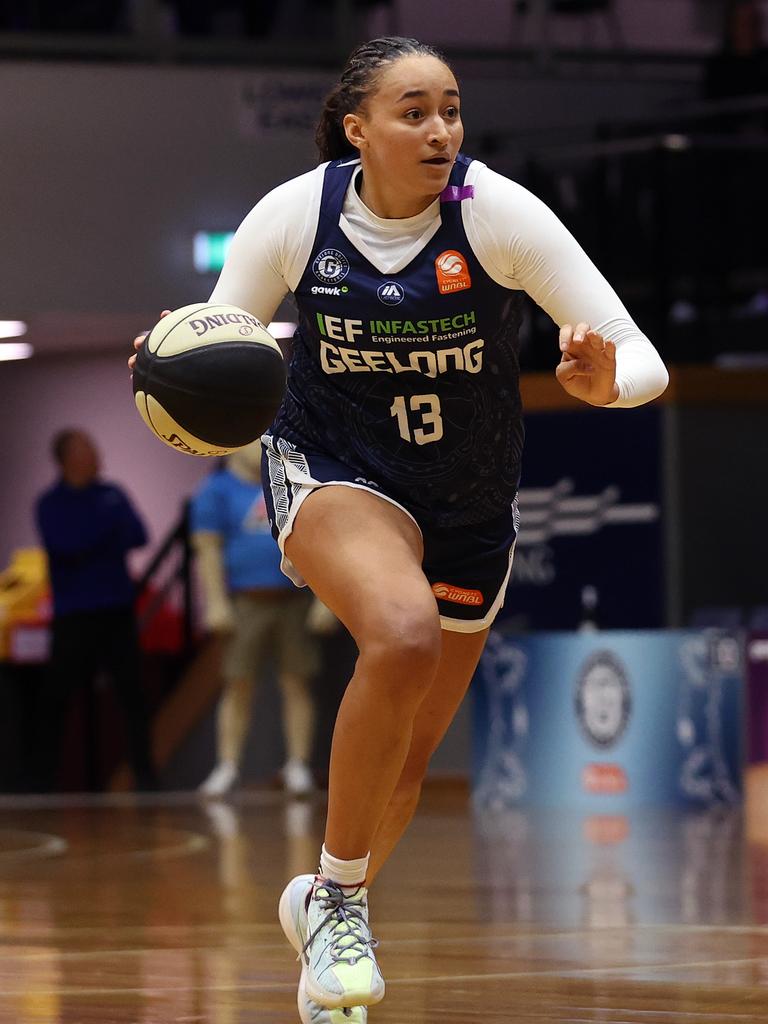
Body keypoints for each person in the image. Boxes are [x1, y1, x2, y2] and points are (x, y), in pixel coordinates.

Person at [131, 36, 668, 1022]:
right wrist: (175, 377)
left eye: (451, 110)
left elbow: (644, 358)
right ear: (358, 128)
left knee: (406, 768)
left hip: (468, 501)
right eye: (414, 111)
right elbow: (224, 352)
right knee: (404, 629)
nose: (440, 131)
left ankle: (326, 898)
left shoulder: (493, 211)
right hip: (334, 468)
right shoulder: (297, 215)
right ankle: (342, 902)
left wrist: (607, 380)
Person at [191, 438, 319, 797]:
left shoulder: (287, 482)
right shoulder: (215, 490)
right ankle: (227, 766)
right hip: (245, 602)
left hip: (292, 599)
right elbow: (208, 548)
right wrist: (215, 602)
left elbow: (319, 541)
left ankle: (298, 765)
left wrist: (326, 602)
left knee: (297, 681)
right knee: (237, 683)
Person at [34, 429, 157, 791]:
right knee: (55, 698)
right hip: (74, 614)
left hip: (117, 610)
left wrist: (96, 537)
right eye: (85, 448)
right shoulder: (50, 502)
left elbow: (138, 535)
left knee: (132, 695)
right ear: (66, 458)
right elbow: (66, 545)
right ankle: (40, 781)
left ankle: (146, 777)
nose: (94, 453)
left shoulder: (112, 493)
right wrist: (105, 531)